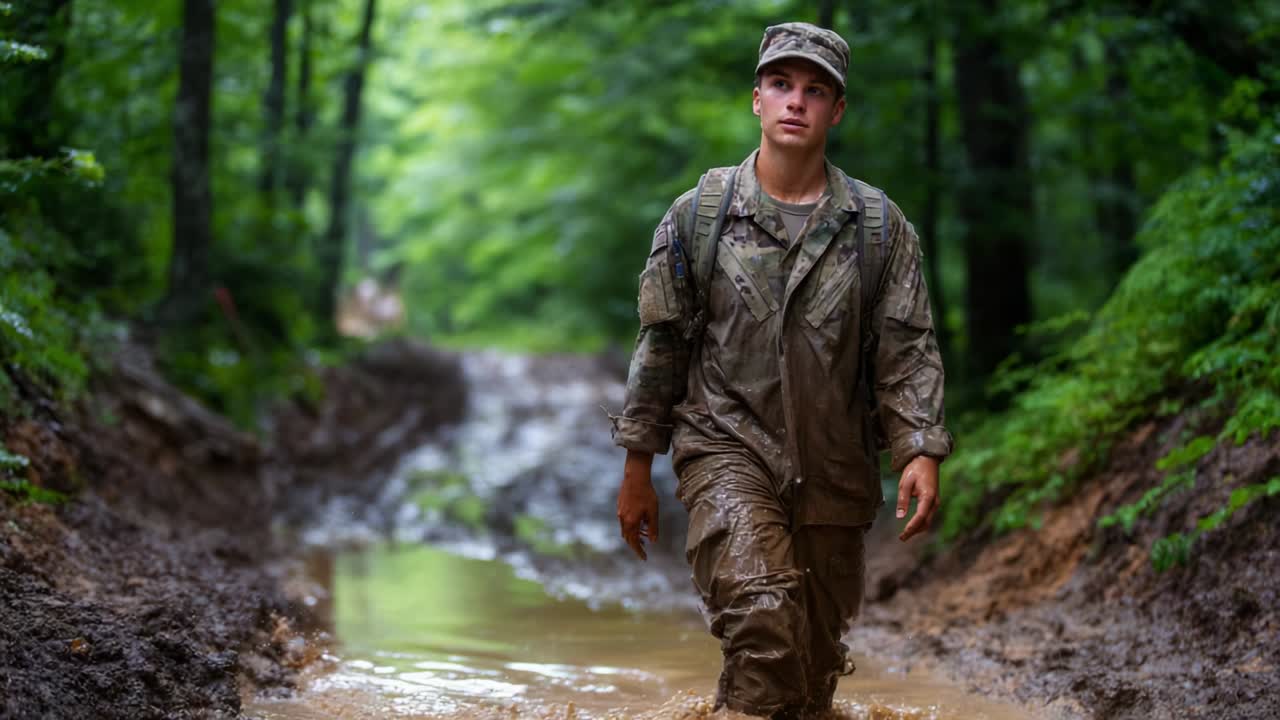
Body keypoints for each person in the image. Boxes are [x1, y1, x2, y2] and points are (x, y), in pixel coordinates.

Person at [609, 21, 954, 719]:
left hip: (835, 472)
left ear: (837, 110)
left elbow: (907, 349)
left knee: (806, 674)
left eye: (815, 89)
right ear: (757, 100)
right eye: (781, 84)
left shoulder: (879, 228)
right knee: (765, 626)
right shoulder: (699, 217)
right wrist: (637, 468)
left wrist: (918, 447)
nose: (796, 100)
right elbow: (662, 347)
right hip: (724, 451)